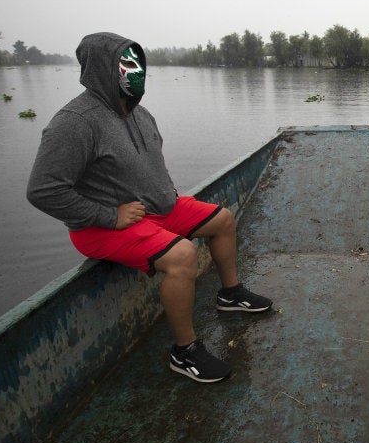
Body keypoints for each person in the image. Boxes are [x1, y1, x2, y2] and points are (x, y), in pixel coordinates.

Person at [27, 32, 272, 384]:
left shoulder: (140, 113)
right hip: (101, 227)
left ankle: (230, 295)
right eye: (125, 64)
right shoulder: (75, 122)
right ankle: (185, 352)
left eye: (138, 62)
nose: (136, 71)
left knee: (223, 219)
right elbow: (42, 190)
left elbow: (153, 158)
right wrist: (109, 216)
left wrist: (165, 189)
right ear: (101, 70)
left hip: (156, 210)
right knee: (184, 256)